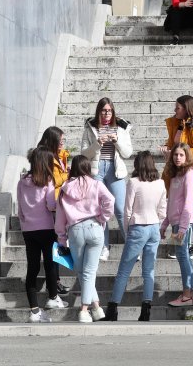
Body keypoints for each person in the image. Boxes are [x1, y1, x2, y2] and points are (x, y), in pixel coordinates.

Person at [104, 151, 167, 321]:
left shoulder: (133, 182)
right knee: (148, 271)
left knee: (124, 271)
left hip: (138, 226)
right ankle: (146, 310)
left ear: (137, 165)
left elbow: (127, 211)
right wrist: (158, 224)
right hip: (154, 226)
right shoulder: (160, 183)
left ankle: (113, 309)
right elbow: (162, 210)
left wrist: (128, 231)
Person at [55, 155, 115, 322]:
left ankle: (85, 309)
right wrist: (103, 217)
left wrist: (61, 238)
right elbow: (110, 199)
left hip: (75, 230)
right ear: (88, 168)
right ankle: (94, 309)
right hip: (95, 228)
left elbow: (60, 217)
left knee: (84, 272)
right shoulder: (96, 184)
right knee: (87, 273)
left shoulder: (65, 188)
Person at [17, 147, 68, 323]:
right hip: (46, 228)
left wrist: (25, 223)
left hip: (28, 230)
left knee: (32, 268)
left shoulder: (22, 181)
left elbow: (20, 209)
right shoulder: (48, 180)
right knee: (50, 264)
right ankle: (53, 298)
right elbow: (51, 205)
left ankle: (34, 311)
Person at [81, 97, 133, 262]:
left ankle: (131, 246)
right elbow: (84, 154)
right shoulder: (90, 127)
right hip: (96, 171)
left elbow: (127, 153)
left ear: (113, 111)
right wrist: (97, 144)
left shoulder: (121, 127)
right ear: (99, 111)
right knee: (99, 211)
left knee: (120, 209)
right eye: (103, 110)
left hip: (115, 170)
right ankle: (104, 247)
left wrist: (116, 141)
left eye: (109, 110)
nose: (107, 113)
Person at [161, 95, 193, 260]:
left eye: (178, 108)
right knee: (177, 206)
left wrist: (180, 153)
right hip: (177, 171)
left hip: (191, 171)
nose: (175, 110)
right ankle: (180, 246)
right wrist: (167, 149)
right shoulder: (178, 124)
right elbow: (173, 143)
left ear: (187, 108)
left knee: (191, 208)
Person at [161, 143, 193, 307]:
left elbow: (189, 203)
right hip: (175, 223)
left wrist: (183, 228)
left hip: (182, 224)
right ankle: (191, 294)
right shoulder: (175, 175)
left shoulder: (190, 174)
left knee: (183, 257)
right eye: (175, 155)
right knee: (183, 257)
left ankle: (187, 295)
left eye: (181, 155)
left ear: (187, 156)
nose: (178, 158)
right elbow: (171, 203)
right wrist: (164, 224)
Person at [37, 125, 70, 295]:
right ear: (52, 140)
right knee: (54, 245)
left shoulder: (58, 156)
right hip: (52, 204)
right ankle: (55, 282)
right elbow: (52, 179)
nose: (63, 143)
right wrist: (67, 175)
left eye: (64, 140)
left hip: (58, 203)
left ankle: (56, 280)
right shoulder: (45, 157)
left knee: (56, 245)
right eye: (60, 140)